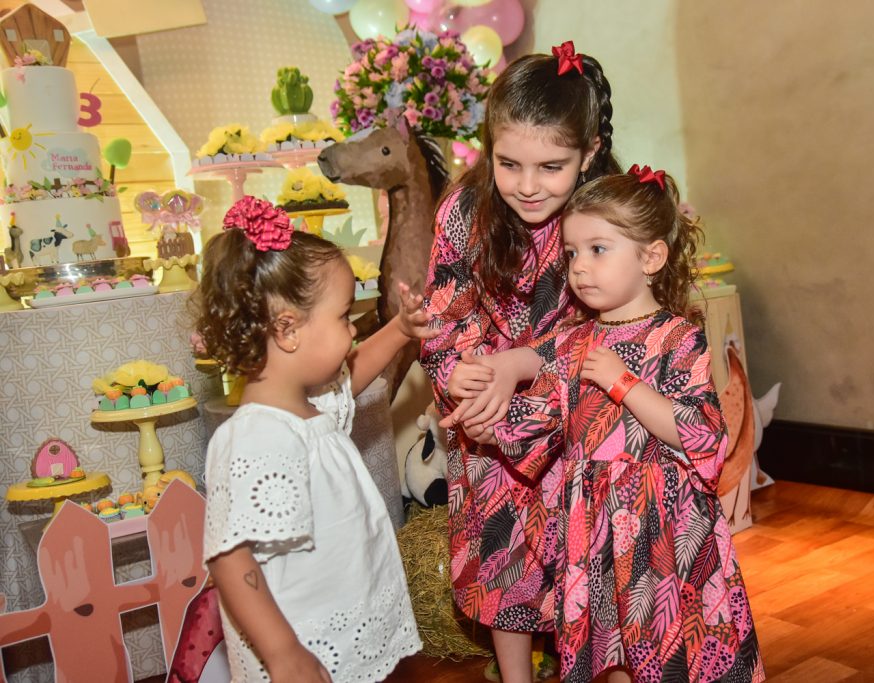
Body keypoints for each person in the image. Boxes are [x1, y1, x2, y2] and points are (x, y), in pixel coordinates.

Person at [485, 168, 765, 682]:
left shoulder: (678, 337)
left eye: (598, 249)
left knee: (664, 646)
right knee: (609, 649)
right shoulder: (572, 341)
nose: (580, 268)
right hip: (592, 523)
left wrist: (625, 384)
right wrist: (487, 419)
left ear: (651, 257)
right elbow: (542, 416)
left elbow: (702, 436)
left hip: (663, 521)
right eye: (571, 253)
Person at [419, 41, 621, 683]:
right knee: (505, 558)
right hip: (491, 426)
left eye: (551, 166)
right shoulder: (466, 210)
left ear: (588, 153)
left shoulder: (611, 215)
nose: (527, 186)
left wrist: (523, 363)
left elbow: (621, 328)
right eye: (509, 164)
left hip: (583, 414)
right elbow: (442, 318)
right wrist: (460, 378)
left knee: (584, 556)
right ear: (488, 149)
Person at [194, 196, 434, 682]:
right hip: (300, 641)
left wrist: (402, 329)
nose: (352, 329)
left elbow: (354, 373)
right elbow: (228, 557)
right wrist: (284, 653)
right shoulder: (256, 436)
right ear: (287, 331)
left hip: (341, 621)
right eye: (345, 317)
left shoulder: (311, 407)